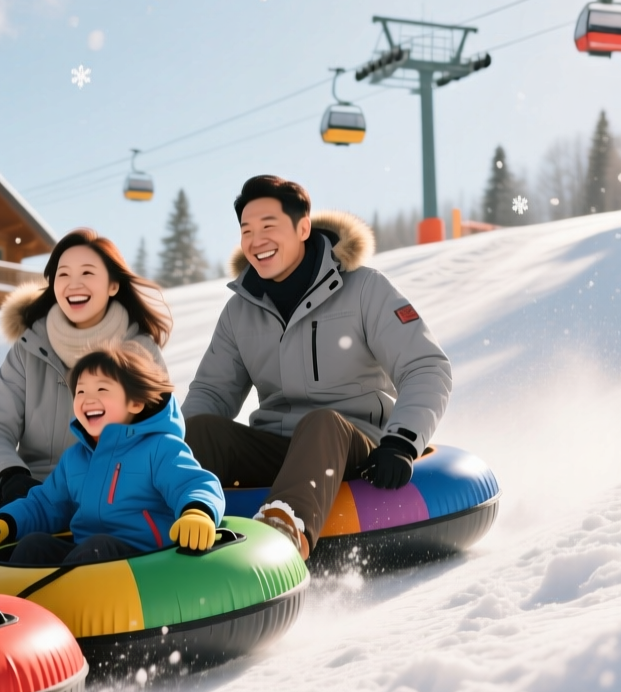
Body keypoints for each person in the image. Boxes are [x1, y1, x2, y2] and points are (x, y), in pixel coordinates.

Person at [182, 175, 453, 559]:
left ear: (303, 228)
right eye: (246, 230)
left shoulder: (364, 289)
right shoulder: (240, 311)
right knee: (201, 430)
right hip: (279, 449)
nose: (256, 240)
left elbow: (426, 366)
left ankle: (282, 532)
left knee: (322, 422)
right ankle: (152, 523)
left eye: (268, 226)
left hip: (353, 444)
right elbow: (211, 392)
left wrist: (401, 441)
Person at [0, 229, 172, 527]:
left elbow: (162, 436)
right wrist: (12, 475)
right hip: (33, 494)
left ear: (113, 285)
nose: (74, 284)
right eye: (63, 274)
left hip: (107, 497)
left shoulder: (139, 351)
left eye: (87, 272)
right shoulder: (29, 348)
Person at [0, 344, 225, 565]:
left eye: (102, 390)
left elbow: (194, 483)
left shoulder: (160, 448)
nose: (88, 399)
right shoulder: (76, 458)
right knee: (34, 545)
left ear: (135, 403)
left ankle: (74, 607)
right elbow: (45, 504)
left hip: (148, 557)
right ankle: (26, 613)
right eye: (81, 391)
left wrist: (197, 513)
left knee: (98, 548)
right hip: (87, 554)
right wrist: (7, 522)